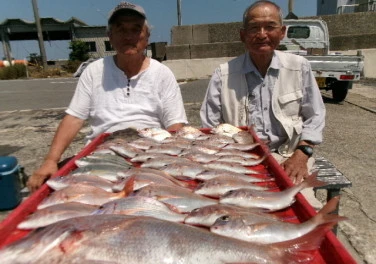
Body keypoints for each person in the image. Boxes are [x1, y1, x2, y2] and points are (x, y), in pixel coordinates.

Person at [27, 1, 187, 192]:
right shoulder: (94, 71)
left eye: (136, 29)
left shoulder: (162, 73)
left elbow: (175, 125)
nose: (128, 36)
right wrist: (51, 160)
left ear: (147, 36)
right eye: (120, 29)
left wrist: (168, 160)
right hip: (101, 152)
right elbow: (75, 117)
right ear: (110, 36)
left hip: (149, 153)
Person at [200, 1, 325, 208]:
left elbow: (315, 116)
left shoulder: (299, 67)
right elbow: (210, 125)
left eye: (270, 26)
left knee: (302, 206)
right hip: (237, 159)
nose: (261, 34)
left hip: (288, 155)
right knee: (229, 211)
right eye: (254, 28)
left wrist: (302, 154)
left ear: (282, 32)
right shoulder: (223, 74)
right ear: (242, 35)